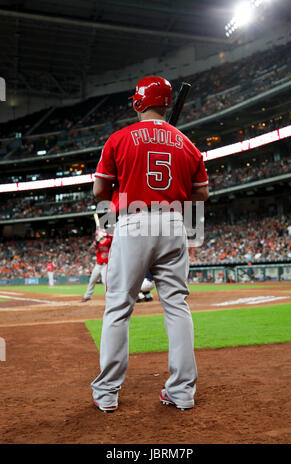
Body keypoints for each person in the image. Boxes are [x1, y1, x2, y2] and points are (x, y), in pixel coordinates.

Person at [91, 75, 209, 412]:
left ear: (139, 101)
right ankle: (182, 391)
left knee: (118, 307)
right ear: (166, 103)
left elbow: (100, 191)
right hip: (174, 224)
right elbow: (202, 193)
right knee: (176, 305)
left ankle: (107, 393)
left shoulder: (119, 138)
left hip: (133, 221)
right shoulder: (187, 143)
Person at [81, 229, 113, 302]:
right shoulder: (96, 242)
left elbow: (109, 240)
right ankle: (87, 296)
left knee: (105, 281)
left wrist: (105, 235)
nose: (96, 236)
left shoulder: (108, 240)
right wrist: (96, 242)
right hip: (98, 265)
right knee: (92, 280)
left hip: (106, 265)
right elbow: (92, 248)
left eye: (97, 235)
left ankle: (110, 297)